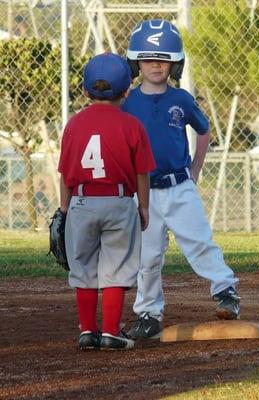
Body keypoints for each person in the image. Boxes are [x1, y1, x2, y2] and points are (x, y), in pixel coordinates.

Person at [123, 19, 240, 340]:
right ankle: (148, 313)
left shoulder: (182, 99)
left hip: (179, 187)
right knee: (147, 256)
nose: (156, 65)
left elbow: (203, 131)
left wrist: (196, 169)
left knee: (199, 241)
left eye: (163, 59)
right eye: (148, 59)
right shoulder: (127, 102)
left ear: (174, 63)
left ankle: (226, 291)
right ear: (137, 63)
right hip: (144, 192)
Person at [58, 53, 156, 350]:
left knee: (84, 267)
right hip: (119, 200)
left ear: (86, 91)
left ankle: (87, 331)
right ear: (127, 90)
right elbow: (142, 173)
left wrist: (65, 210)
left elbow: (65, 174)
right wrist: (143, 206)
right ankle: (112, 331)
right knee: (117, 265)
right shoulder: (132, 125)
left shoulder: (73, 125)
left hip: (82, 201)